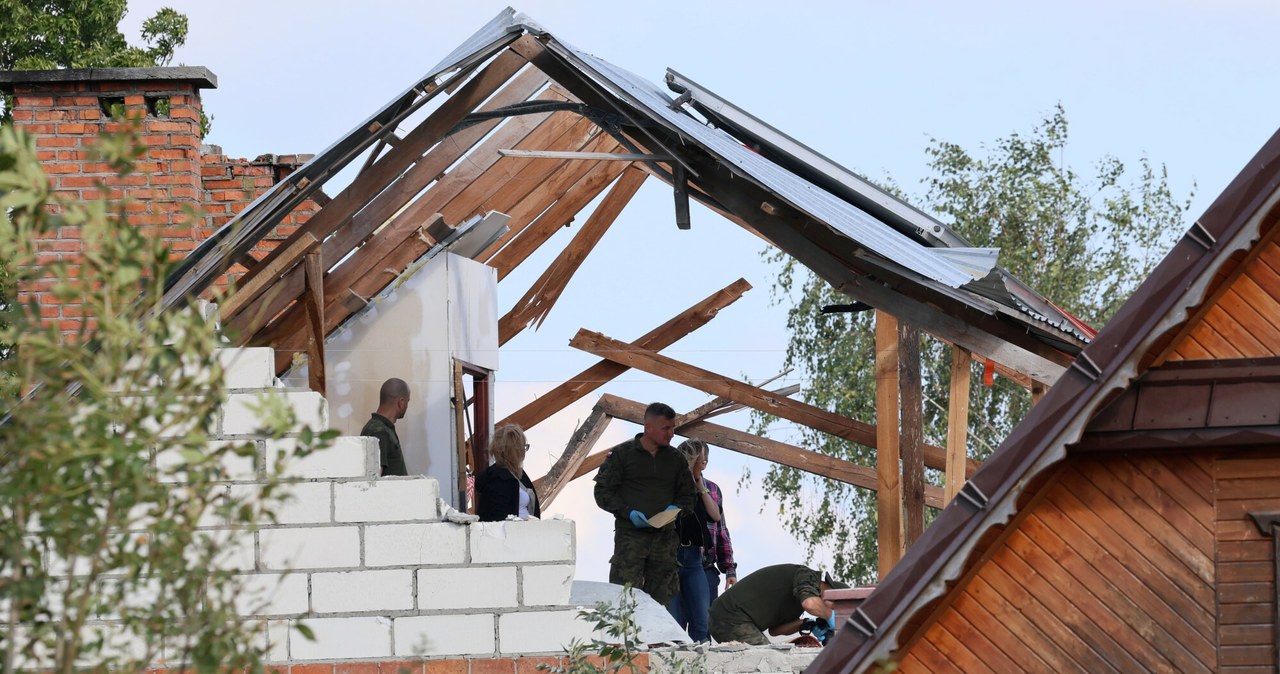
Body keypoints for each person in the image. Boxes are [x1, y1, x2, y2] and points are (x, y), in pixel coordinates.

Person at [593, 402, 697, 606]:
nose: (671, 434)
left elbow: (689, 496)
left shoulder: (676, 459)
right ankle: (623, 638)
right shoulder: (622, 455)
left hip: (664, 541)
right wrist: (627, 512)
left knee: (659, 602)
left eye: (673, 428)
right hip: (630, 540)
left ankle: (655, 639)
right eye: (666, 428)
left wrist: (676, 510)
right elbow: (602, 492)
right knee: (623, 596)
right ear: (648, 428)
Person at [708, 563, 847, 645]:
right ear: (831, 593)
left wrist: (806, 623)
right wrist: (832, 618)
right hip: (729, 616)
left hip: (730, 619)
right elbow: (810, 603)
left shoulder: (799, 598)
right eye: (836, 608)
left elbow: (775, 631)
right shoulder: (807, 575)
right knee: (769, 660)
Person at [666, 439, 721, 642]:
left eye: (706, 461)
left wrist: (701, 487)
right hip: (671, 557)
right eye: (701, 460)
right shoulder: (672, 484)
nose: (704, 464)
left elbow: (716, 517)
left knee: (702, 621)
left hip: (694, 558)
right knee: (674, 621)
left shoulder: (705, 488)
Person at [475, 424, 540, 521]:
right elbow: (497, 518)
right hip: (513, 533)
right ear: (513, 451)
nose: (524, 451)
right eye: (522, 447)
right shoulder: (499, 480)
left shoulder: (518, 474)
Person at [701, 445, 738, 602]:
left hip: (706, 568)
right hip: (675, 567)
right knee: (673, 623)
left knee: (704, 624)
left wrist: (729, 569)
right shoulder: (673, 485)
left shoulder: (713, 489)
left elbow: (721, 530)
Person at [361, 378, 410, 476]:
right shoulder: (378, 431)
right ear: (401, 402)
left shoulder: (383, 428)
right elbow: (375, 480)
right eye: (407, 401)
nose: (407, 406)